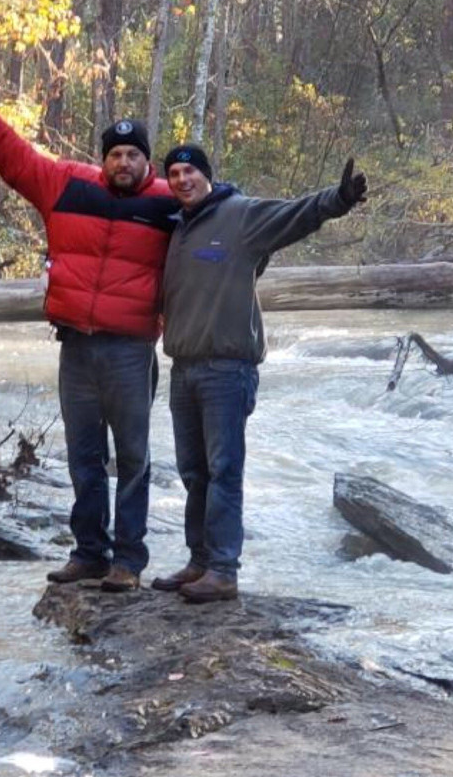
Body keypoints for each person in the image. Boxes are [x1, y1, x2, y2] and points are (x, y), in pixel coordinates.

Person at [0, 83, 176, 592]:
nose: (123, 162)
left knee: (133, 459)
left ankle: (128, 562)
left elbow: (222, 214)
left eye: (133, 154)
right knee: (83, 455)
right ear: (103, 160)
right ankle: (90, 553)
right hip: (76, 346)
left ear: (147, 161)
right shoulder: (68, 185)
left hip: (131, 351)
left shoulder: (168, 205)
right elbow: (17, 161)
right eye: (115, 154)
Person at [150, 144, 367, 603]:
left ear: (207, 175)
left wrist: (339, 199)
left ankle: (223, 571)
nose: (182, 179)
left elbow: (295, 216)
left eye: (190, 171)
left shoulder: (241, 215)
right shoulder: (175, 227)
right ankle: (199, 561)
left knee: (224, 469)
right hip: (183, 368)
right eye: (174, 173)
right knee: (193, 472)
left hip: (227, 369)